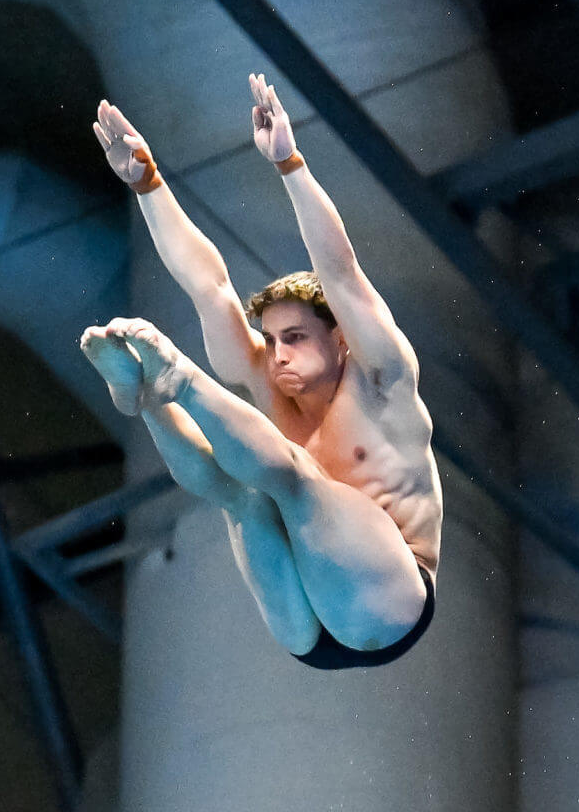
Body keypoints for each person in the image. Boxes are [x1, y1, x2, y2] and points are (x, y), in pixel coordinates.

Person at [79, 74, 441, 666]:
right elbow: (208, 284)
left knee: (291, 475)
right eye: (271, 339)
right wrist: (147, 183)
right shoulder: (264, 374)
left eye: (295, 337)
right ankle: (148, 394)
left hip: (387, 601)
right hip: (304, 632)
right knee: (242, 494)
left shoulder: (383, 378)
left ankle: (173, 382)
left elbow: (342, 272)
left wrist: (291, 165)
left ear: (342, 338)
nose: (277, 355)